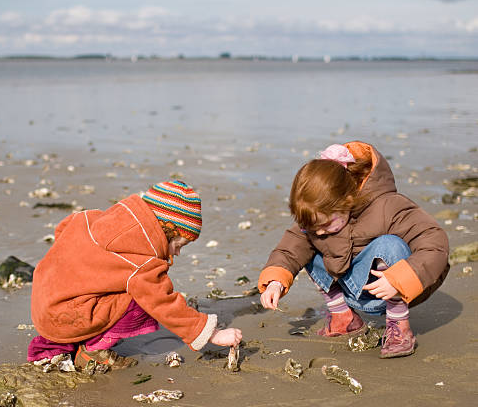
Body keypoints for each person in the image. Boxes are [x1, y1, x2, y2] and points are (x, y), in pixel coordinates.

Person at [259, 141, 449, 358]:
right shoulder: (318, 219)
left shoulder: (388, 207)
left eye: (325, 225)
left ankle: (399, 328)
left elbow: (435, 242)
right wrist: (275, 281)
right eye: (314, 226)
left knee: (389, 244)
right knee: (304, 243)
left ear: (347, 201)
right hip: (349, 289)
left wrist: (400, 279)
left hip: (391, 290)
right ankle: (343, 317)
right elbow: (289, 249)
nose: (320, 232)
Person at [29, 180, 242, 369]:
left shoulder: (95, 217)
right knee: (143, 297)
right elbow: (163, 303)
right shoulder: (141, 260)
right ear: (168, 230)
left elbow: (63, 228)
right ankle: (94, 350)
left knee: (119, 284)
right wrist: (211, 333)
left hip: (45, 305)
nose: (177, 252)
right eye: (180, 244)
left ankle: (66, 339)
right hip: (68, 316)